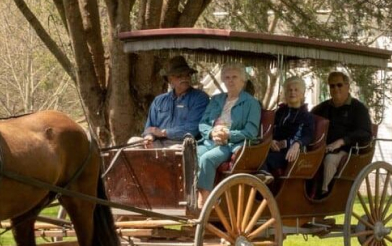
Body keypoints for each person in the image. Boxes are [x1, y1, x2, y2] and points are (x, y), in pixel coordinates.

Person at [195, 64, 260, 206]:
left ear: (243, 81)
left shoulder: (251, 103)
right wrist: (212, 132)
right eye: (227, 77)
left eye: (235, 77)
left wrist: (228, 135)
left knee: (207, 159)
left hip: (230, 144)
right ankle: (187, 196)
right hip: (211, 141)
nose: (230, 81)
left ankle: (203, 202)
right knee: (186, 155)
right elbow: (203, 123)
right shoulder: (216, 99)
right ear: (223, 80)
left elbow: (251, 132)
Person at [310, 71, 372, 197]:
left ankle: (323, 194)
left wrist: (342, 141)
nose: (335, 89)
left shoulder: (358, 109)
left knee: (330, 160)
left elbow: (365, 133)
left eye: (339, 85)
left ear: (347, 86)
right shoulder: (322, 108)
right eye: (332, 86)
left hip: (347, 151)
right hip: (322, 149)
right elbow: (309, 122)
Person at [132, 56, 209, 148]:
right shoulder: (159, 100)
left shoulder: (199, 98)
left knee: (173, 151)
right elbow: (149, 128)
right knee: (133, 142)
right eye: (179, 76)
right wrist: (149, 137)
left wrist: (163, 132)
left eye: (187, 75)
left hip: (183, 144)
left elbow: (192, 129)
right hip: (158, 143)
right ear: (169, 79)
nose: (185, 78)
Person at [260, 77, 314, 179]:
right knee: (255, 155)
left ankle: (264, 182)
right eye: (289, 90)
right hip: (273, 148)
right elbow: (270, 130)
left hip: (290, 153)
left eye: (296, 90)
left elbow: (308, 136)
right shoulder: (279, 112)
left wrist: (297, 144)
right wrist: (270, 141)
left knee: (264, 159)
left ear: (302, 94)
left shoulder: (307, 116)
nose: (292, 93)